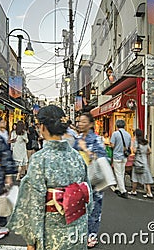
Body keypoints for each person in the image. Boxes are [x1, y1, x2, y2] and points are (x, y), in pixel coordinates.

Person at [7, 105, 92, 250]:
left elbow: (35, 205)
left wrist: (32, 240)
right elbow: (87, 195)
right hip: (78, 227)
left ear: (43, 127)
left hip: (52, 231)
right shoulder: (77, 156)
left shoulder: (40, 159)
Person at [74, 112, 106, 248]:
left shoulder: (97, 140)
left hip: (94, 178)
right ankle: (81, 233)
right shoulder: (77, 138)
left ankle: (92, 234)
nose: (80, 124)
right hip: (80, 178)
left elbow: (103, 159)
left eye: (83, 122)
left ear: (91, 124)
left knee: (94, 207)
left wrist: (86, 149)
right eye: (79, 121)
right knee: (79, 207)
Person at [128, 128, 154, 198]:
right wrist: (145, 153)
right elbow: (150, 151)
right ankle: (149, 192)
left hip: (137, 162)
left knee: (135, 177)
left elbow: (135, 151)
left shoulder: (136, 142)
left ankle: (133, 190)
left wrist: (133, 148)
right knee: (146, 177)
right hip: (144, 161)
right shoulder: (145, 142)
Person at [110, 119, 132, 199]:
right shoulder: (128, 135)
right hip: (124, 156)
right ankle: (118, 188)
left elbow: (112, 145)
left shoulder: (115, 134)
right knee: (122, 173)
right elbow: (129, 146)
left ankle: (123, 190)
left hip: (117, 156)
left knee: (118, 173)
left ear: (117, 126)